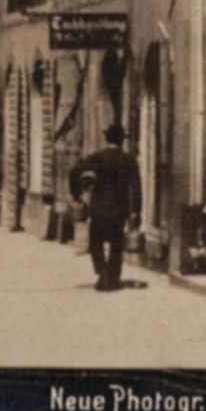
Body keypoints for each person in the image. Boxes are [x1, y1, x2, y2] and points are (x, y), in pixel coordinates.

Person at [68, 123, 143, 292]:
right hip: (119, 209)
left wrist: (76, 195)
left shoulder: (96, 158)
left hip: (99, 208)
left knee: (96, 242)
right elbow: (136, 187)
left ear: (106, 138)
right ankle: (113, 277)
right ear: (122, 140)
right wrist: (137, 210)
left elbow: (73, 172)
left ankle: (102, 272)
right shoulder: (128, 160)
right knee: (116, 244)